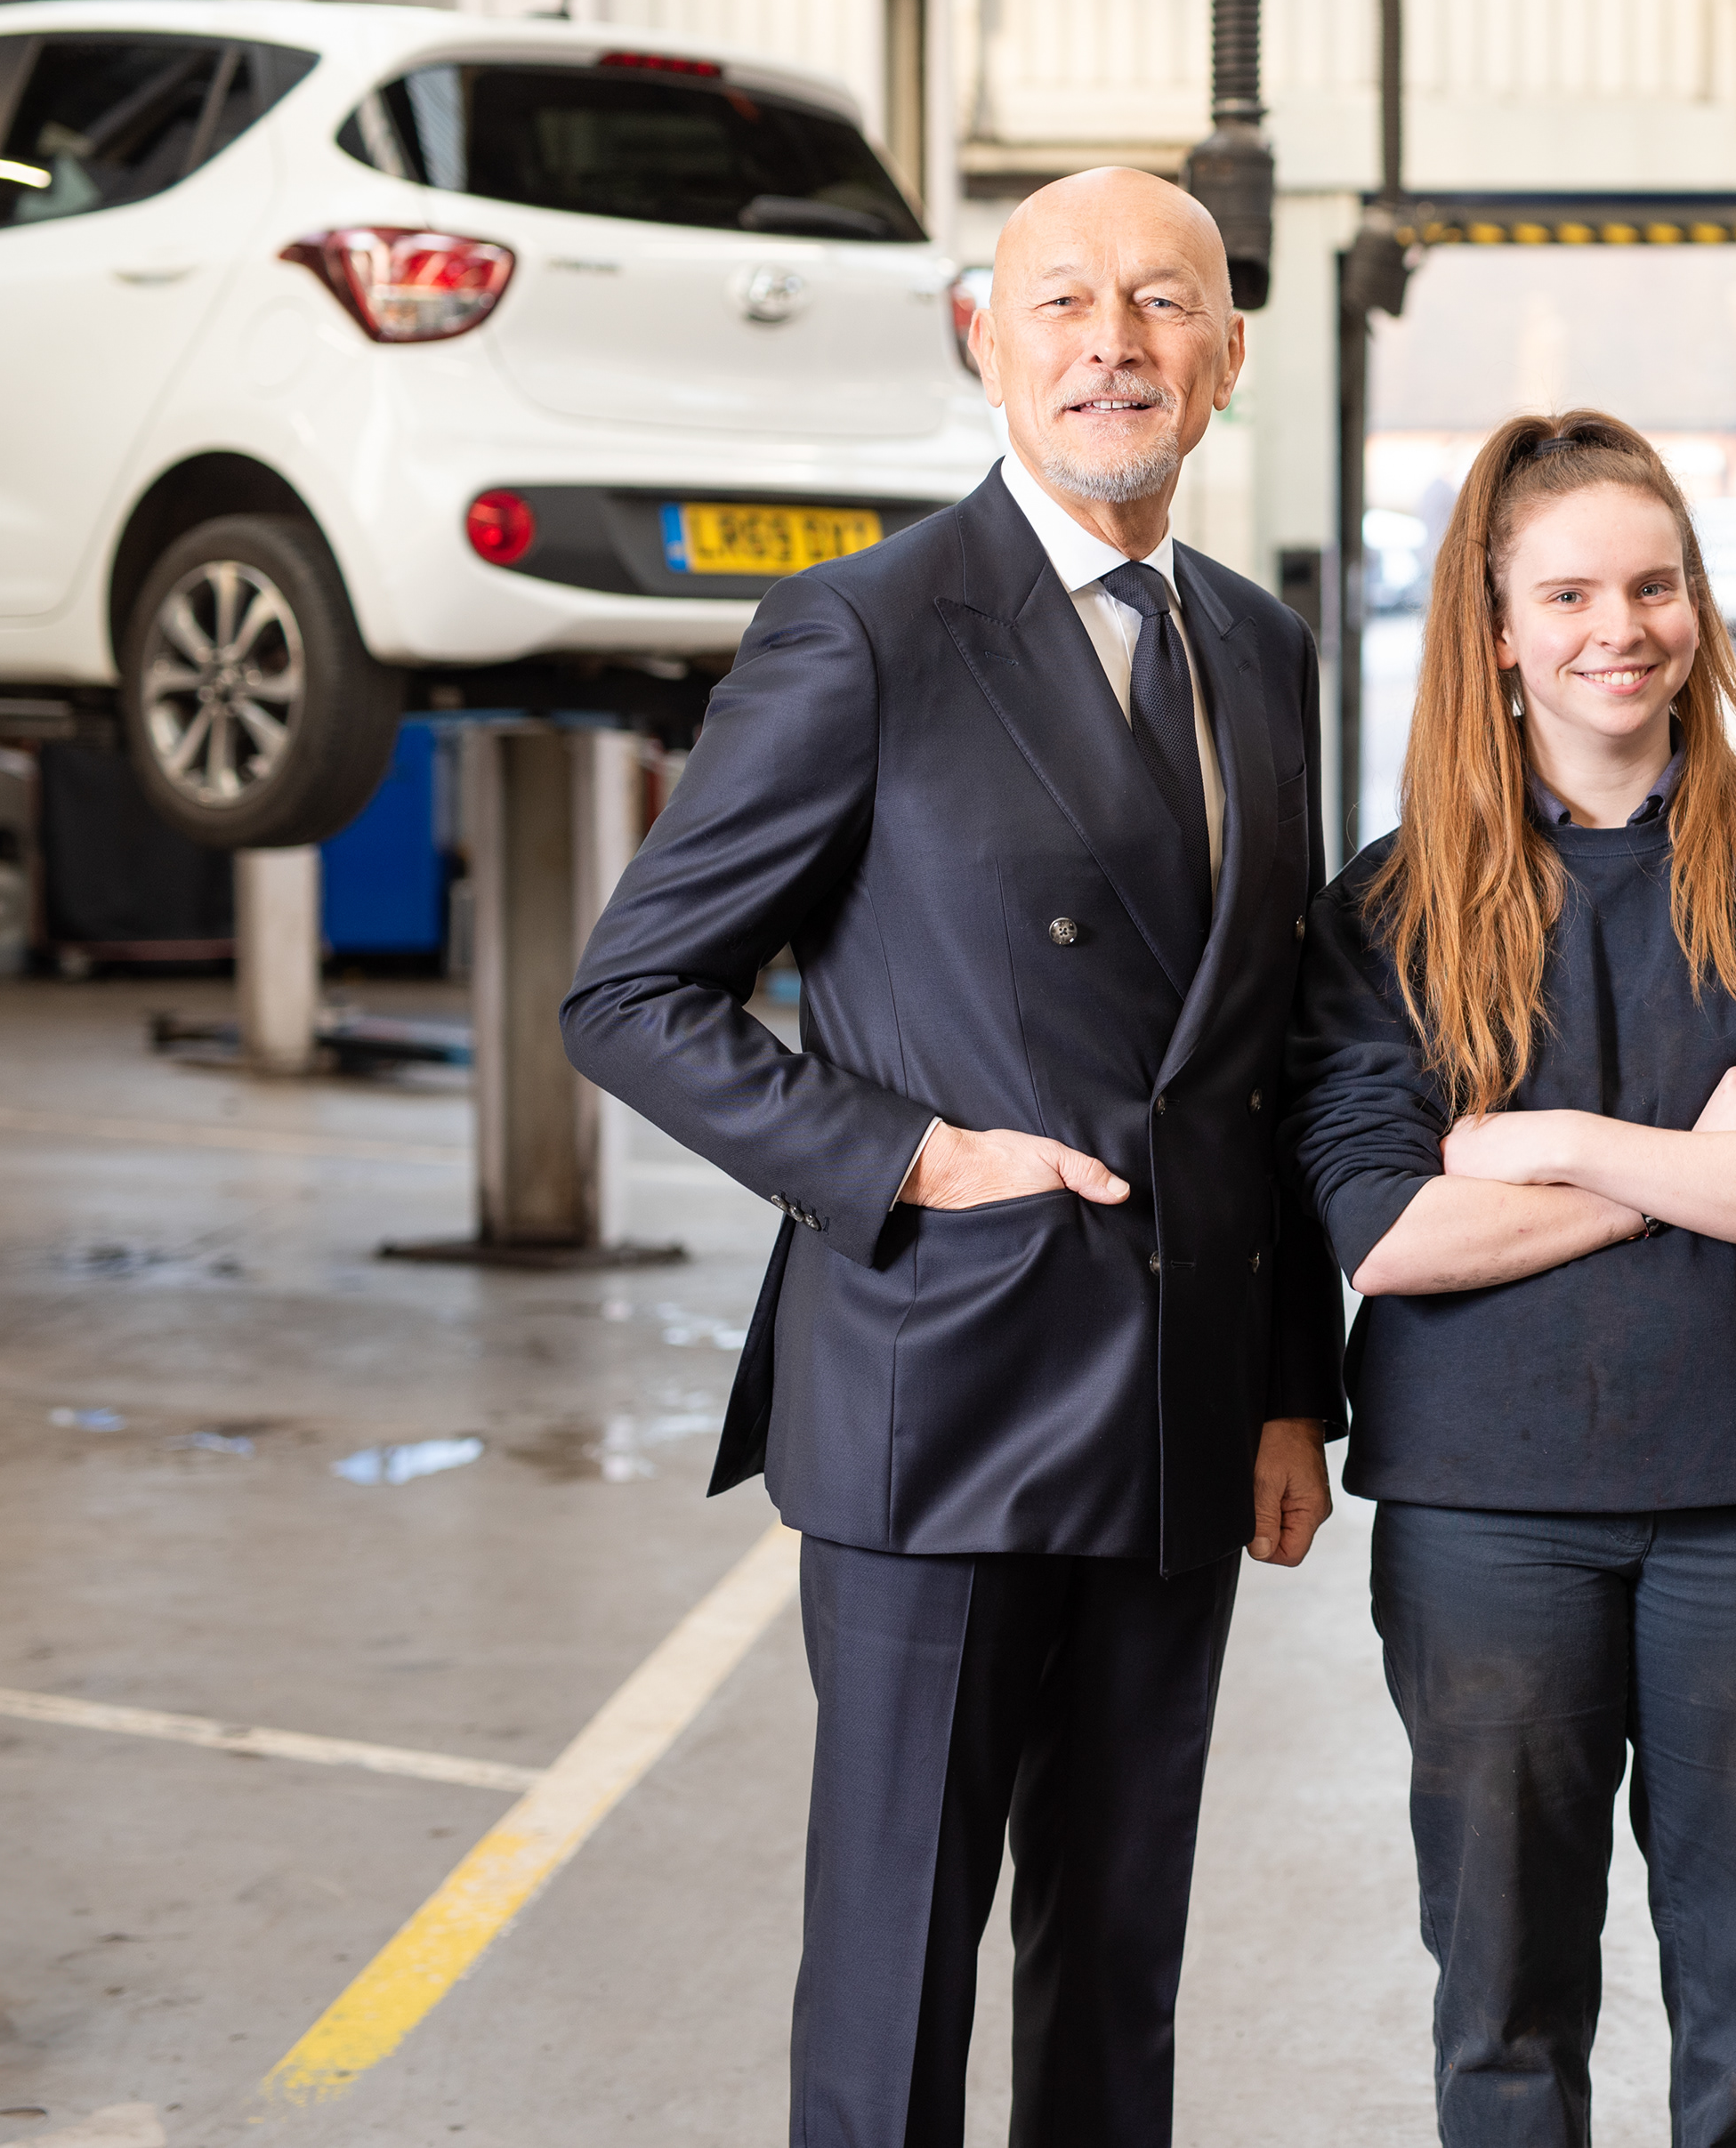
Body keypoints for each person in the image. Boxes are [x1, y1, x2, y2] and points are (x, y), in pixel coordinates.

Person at [559, 168, 1344, 2148]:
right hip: (942, 1392)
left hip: (1175, 1413)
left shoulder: (1260, 650)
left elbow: (1266, 1055)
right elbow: (632, 993)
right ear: (983, 340)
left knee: (1121, 1959)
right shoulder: (865, 632)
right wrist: (906, 1157)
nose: (1114, 341)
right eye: (1062, 299)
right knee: (900, 1948)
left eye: (1164, 303)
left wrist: (1285, 1394)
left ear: (1228, 355)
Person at [1287, 409, 1736, 2147]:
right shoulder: (1393, 916)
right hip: (1484, 1520)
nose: (1621, 626)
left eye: (1655, 585)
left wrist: (1541, 1139)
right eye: (1568, 591)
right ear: (1496, 630)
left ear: (1700, 605)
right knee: (1503, 2010)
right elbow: (1392, 1231)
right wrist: (1697, 1170)